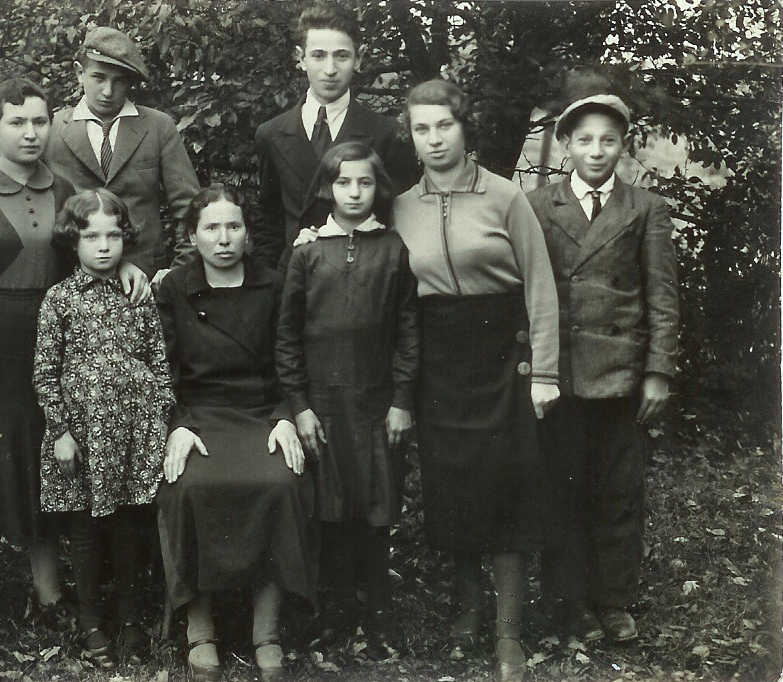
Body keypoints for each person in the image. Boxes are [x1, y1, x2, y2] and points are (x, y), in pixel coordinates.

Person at [0, 78, 148, 646]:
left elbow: (96, 245)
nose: (30, 133)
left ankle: (50, 595)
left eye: (39, 122)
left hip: (54, 350)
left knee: (46, 466)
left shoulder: (69, 189)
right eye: (17, 123)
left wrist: (124, 268)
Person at [392, 79, 560, 681]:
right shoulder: (400, 205)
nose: (434, 139)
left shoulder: (505, 196)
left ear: (464, 128)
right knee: (454, 484)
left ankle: (510, 633)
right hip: (439, 359)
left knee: (506, 488)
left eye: (444, 125)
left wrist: (544, 371)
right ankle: (469, 609)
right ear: (411, 138)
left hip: (503, 357)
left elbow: (539, 284)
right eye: (422, 129)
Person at [526, 94, 679, 643]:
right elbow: (529, 290)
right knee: (562, 489)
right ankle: (570, 602)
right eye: (585, 140)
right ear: (566, 145)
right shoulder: (539, 205)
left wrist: (658, 371)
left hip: (619, 372)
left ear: (623, 147)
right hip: (560, 371)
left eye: (608, 140)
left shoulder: (645, 208)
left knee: (618, 491)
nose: (596, 151)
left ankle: (613, 599)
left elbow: (661, 296)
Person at [155, 185, 316, 681]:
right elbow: (161, 369)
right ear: (191, 235)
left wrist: (288, 414)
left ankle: (265, 631)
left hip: (262, 412)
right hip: (199, 415)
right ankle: (199, 628)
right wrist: (178, 425)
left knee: (280, 483)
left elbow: (291, 357)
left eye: (234, 227)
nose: (224, 239)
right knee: (190, 487)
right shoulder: (174, 288)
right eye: (211, 228)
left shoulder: (273, 284)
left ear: (247, 233)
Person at [276, 142, 419, 659]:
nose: (353, 193)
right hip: (324, 405)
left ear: (377, 187)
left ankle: (377, 610)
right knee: (331, 510)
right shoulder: (308, 251)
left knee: (375, 507)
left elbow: (407, 331)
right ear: (327, 188)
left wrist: (402, 399)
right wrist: (300, 405)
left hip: (377, 404)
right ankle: (334, 612)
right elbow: (287, 335)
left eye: (363, 183)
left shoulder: (393, 248)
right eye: (343, 183)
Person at [33, 188, 174, 668]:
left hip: (134, 433)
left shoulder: (138, 292)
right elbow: (45, 372)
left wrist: (158, 413)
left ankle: (132, 619)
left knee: (132, 528)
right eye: (92, 236)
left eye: (114, 235)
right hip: (84, 436)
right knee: (87, 530)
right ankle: (93, 622)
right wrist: (61, 433)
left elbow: (157, 358)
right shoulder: (60, 299)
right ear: (73, 241)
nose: (104, 246)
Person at [252, 2, 419, 270]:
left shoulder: (386, 134)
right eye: (318, 55)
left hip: (366, 279)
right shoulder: (271, 134)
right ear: (300, 58)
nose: (330, 69)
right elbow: (269, 222)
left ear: (359, 58)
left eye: (341, 55)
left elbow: (402, 219)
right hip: (297, 284)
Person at [45, 26, 200, 283]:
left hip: (146, 280)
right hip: (71, 279)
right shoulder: (52, 128)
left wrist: (176, 273)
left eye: (119, 81)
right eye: (98, 77)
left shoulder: (158, 126)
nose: (108, 91)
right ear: (78, 72)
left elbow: (190, 209)